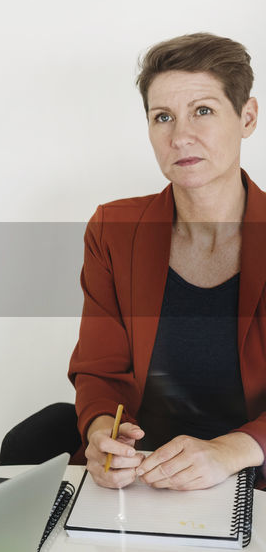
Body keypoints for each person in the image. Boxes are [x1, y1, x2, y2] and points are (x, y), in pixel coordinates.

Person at [70, 32, 266, 491]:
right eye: (163, 117)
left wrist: (230, 450)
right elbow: (100, 370)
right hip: (140, 482)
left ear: (248, 117)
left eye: (203, 110)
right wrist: (102, 434)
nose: (180, 137)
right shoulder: (113, 229)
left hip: (253, 480)